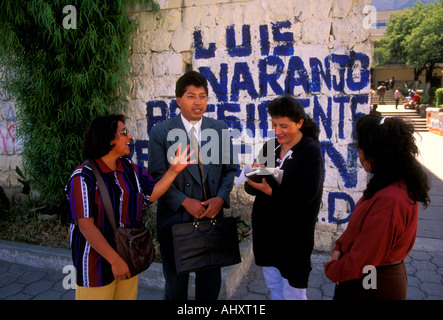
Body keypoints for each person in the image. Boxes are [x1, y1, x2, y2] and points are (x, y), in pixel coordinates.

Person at [65, 114, 193, 300]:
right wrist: (115, 261)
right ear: (108, 139)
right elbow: (86, 226)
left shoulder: (128, 168)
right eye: (124, 133)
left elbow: (151, 193)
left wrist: (173, 171)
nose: (130, 137)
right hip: (96, 265)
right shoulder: (83, 177)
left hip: (128, 256)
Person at [147, 71, 238, 300]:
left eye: (203, 96)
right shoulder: (161, 133)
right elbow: (157, 179)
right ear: (179, 101)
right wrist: (185, 201)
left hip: (210, 219)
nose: (198, 102)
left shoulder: (219, 129)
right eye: (191, 96)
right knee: (176, 288)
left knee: (209, 287)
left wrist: (220, 198)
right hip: (176, 221)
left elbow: (230, 170)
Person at [324, 115, 430, 300]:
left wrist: (333, 269)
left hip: (372, 283)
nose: (358, 154)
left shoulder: (391, 200)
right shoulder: (386, 184)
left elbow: (364, 258)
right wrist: (340, 246)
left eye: (361, 148)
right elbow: (358, 228)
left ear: (377, 153)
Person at [247, 95, 324, 300]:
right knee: (274, 287)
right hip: (267, 233)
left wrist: (270, 191)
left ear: (299, 123)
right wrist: (253, 177)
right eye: (274, 125)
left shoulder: (310, 150)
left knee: (293, 292)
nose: (278, 131)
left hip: (293, 237)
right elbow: (253, 190)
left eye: (284, 126)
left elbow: (306, 196)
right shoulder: (271, 147)